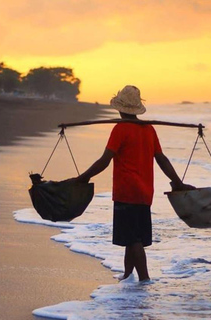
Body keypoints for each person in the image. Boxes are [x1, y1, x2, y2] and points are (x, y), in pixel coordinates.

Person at [75, 85, 194, 282]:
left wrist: (83, 177)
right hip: (145, 193)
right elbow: (162, 159)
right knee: (131, 238)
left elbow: (105, 160)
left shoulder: (120, 129)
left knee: (133, 239)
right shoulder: (148, 129)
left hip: (126, 192)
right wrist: (177, 182)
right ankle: (128, 275)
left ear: (120, 109)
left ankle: (145, 280)